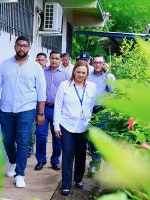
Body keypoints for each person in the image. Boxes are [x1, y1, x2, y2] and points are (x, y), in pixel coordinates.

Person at [0, 36, 46, 188]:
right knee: (7, 140)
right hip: (6, 109)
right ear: (15, 47)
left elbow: (41, 92)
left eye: (25, 46)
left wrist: (41, 113)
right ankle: (13, 162)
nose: (22, 48)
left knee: (22, 142)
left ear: (29, 48)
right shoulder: (5, 65)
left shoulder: (36, 67)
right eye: (19, 45)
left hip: (26, 110)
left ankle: (20, 174)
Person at [54, 60, 96, 195]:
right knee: (67, 154)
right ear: (74, 71)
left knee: (81, 154)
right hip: (67, 125)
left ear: (87, 73)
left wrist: (90, 123)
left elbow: (91, 106)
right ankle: (66, 184)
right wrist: (56, 126)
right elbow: (58, 106)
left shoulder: (92, 87)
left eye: (84, 72)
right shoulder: (64, 85)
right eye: (78, 72)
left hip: (83, 126)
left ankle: (78, 179)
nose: (81, 75)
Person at [34, 50, 69, 171]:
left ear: (60, 60)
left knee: (57, 136)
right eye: (52, 58)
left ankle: (55, 160)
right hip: (43, 108)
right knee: (40, 134)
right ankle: (40, 160)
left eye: (57, 58)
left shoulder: (65, 74)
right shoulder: (42, 72)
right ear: (49, 59)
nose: (54, 60)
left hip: (58, 110)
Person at [87, 54, 115, 177]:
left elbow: (114, 91)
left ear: (104, 64)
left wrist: (108, 73)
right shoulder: (88, 75)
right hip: (88, 110)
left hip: (101, 110)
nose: (97, 64)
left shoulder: (109, 77)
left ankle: (95, 163)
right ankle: (97, 160)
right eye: (95, 62)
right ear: (93, 63)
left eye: (100, 62)